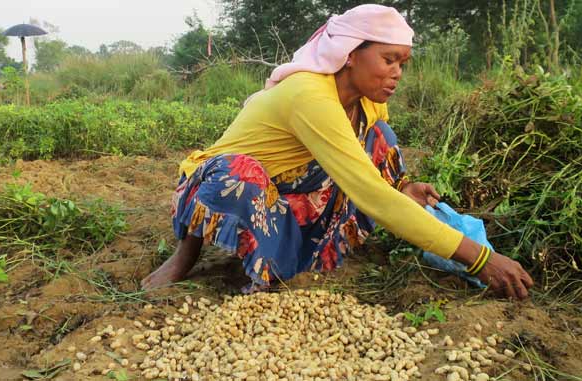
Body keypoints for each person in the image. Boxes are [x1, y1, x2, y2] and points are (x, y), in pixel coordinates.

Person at [142, 4, 535, 299]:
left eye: (403, 63)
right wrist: (479, 258)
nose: (397, 72)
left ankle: (291, 250)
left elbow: (370, 170)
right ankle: (185, 253)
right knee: (239, 174)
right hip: (223, 183)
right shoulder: (310, 95)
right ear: (350, 54)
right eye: (388, 59)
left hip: (289, 185)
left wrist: (402, 188)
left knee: (378, 135)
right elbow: (370, 193)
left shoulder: (366, 103)